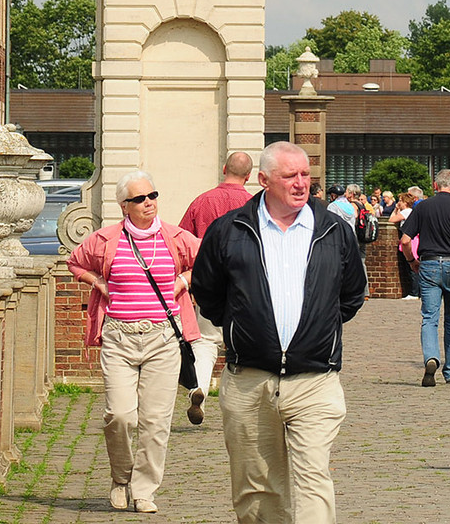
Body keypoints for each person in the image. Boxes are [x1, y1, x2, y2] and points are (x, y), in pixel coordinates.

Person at [190, 141, 366, 524]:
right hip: (250, 380)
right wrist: (246, 327)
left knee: (313, 479)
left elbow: (352, 295)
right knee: (257, 490)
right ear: (263, 180)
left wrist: (318, 327)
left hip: (315, 380)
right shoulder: (228, 230)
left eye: (305, 175)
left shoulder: (334, 230)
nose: (301, 183)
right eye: (290, 176)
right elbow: (207, 293)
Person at [66, 170, 202, 514]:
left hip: (163, 337)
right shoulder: (105, 239)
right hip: (119, 335)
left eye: (152, 196)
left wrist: (183, 281)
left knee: (156, 421)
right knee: (120, 415)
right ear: (124, 206)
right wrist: (97, 281)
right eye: (140, 199)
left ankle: (144, 490)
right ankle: (120, 478)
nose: (148, 203)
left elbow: (207, 262)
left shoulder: (175, 237)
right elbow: (74, 262)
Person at [176, 150, 255, 426]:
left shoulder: (202, 201)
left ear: (224, 169)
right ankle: (245, 408)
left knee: (205, 343)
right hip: (248, 290)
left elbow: (181, 243)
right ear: (249, 176)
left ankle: (198, 387)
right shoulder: (256, 205)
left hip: (209, 287)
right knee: (246, 349)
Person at [400, 169, 450, 385]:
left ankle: (431, 357)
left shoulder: (423, 206)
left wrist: (411, 261)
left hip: (429, 264)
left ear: (435, 185)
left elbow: (405, 240)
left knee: (429, 318)